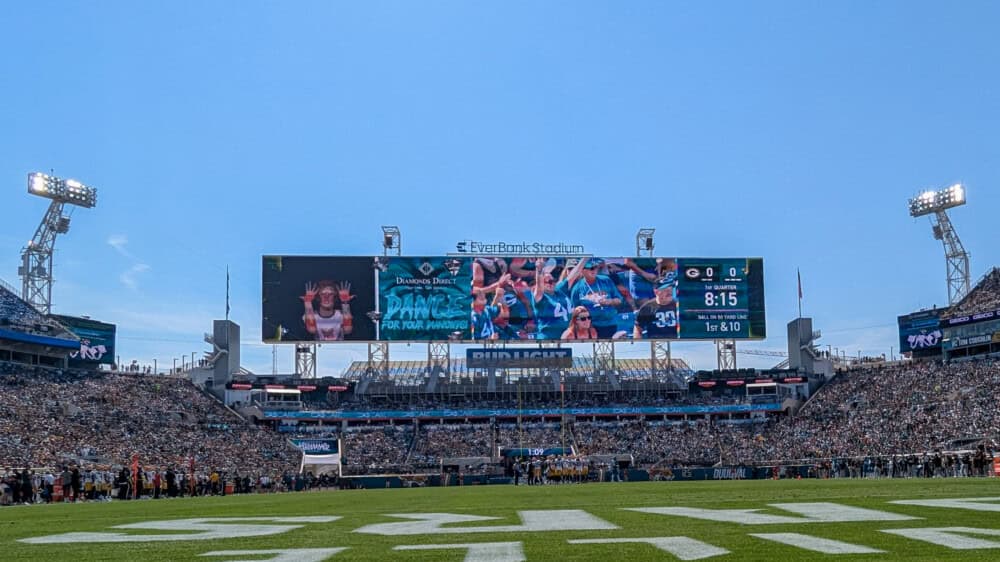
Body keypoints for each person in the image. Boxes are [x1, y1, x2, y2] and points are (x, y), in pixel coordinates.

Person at [569, 259, 625, 338]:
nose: (594, 270)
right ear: (582, 270)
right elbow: (574, 311)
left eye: (595, 268)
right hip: (591, 327)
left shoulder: (606, 280)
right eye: (591, 268)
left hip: (611, 324)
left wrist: (609, 301)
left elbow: (619, 300)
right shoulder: (577, 288)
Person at [634, 274, 679, 339]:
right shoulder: (647, 308)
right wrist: (638, 344)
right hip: (656, 344)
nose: (669, 292)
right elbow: (638, 329)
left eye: (671, 288)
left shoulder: (678, 305)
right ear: (656, 292)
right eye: (665, 289)